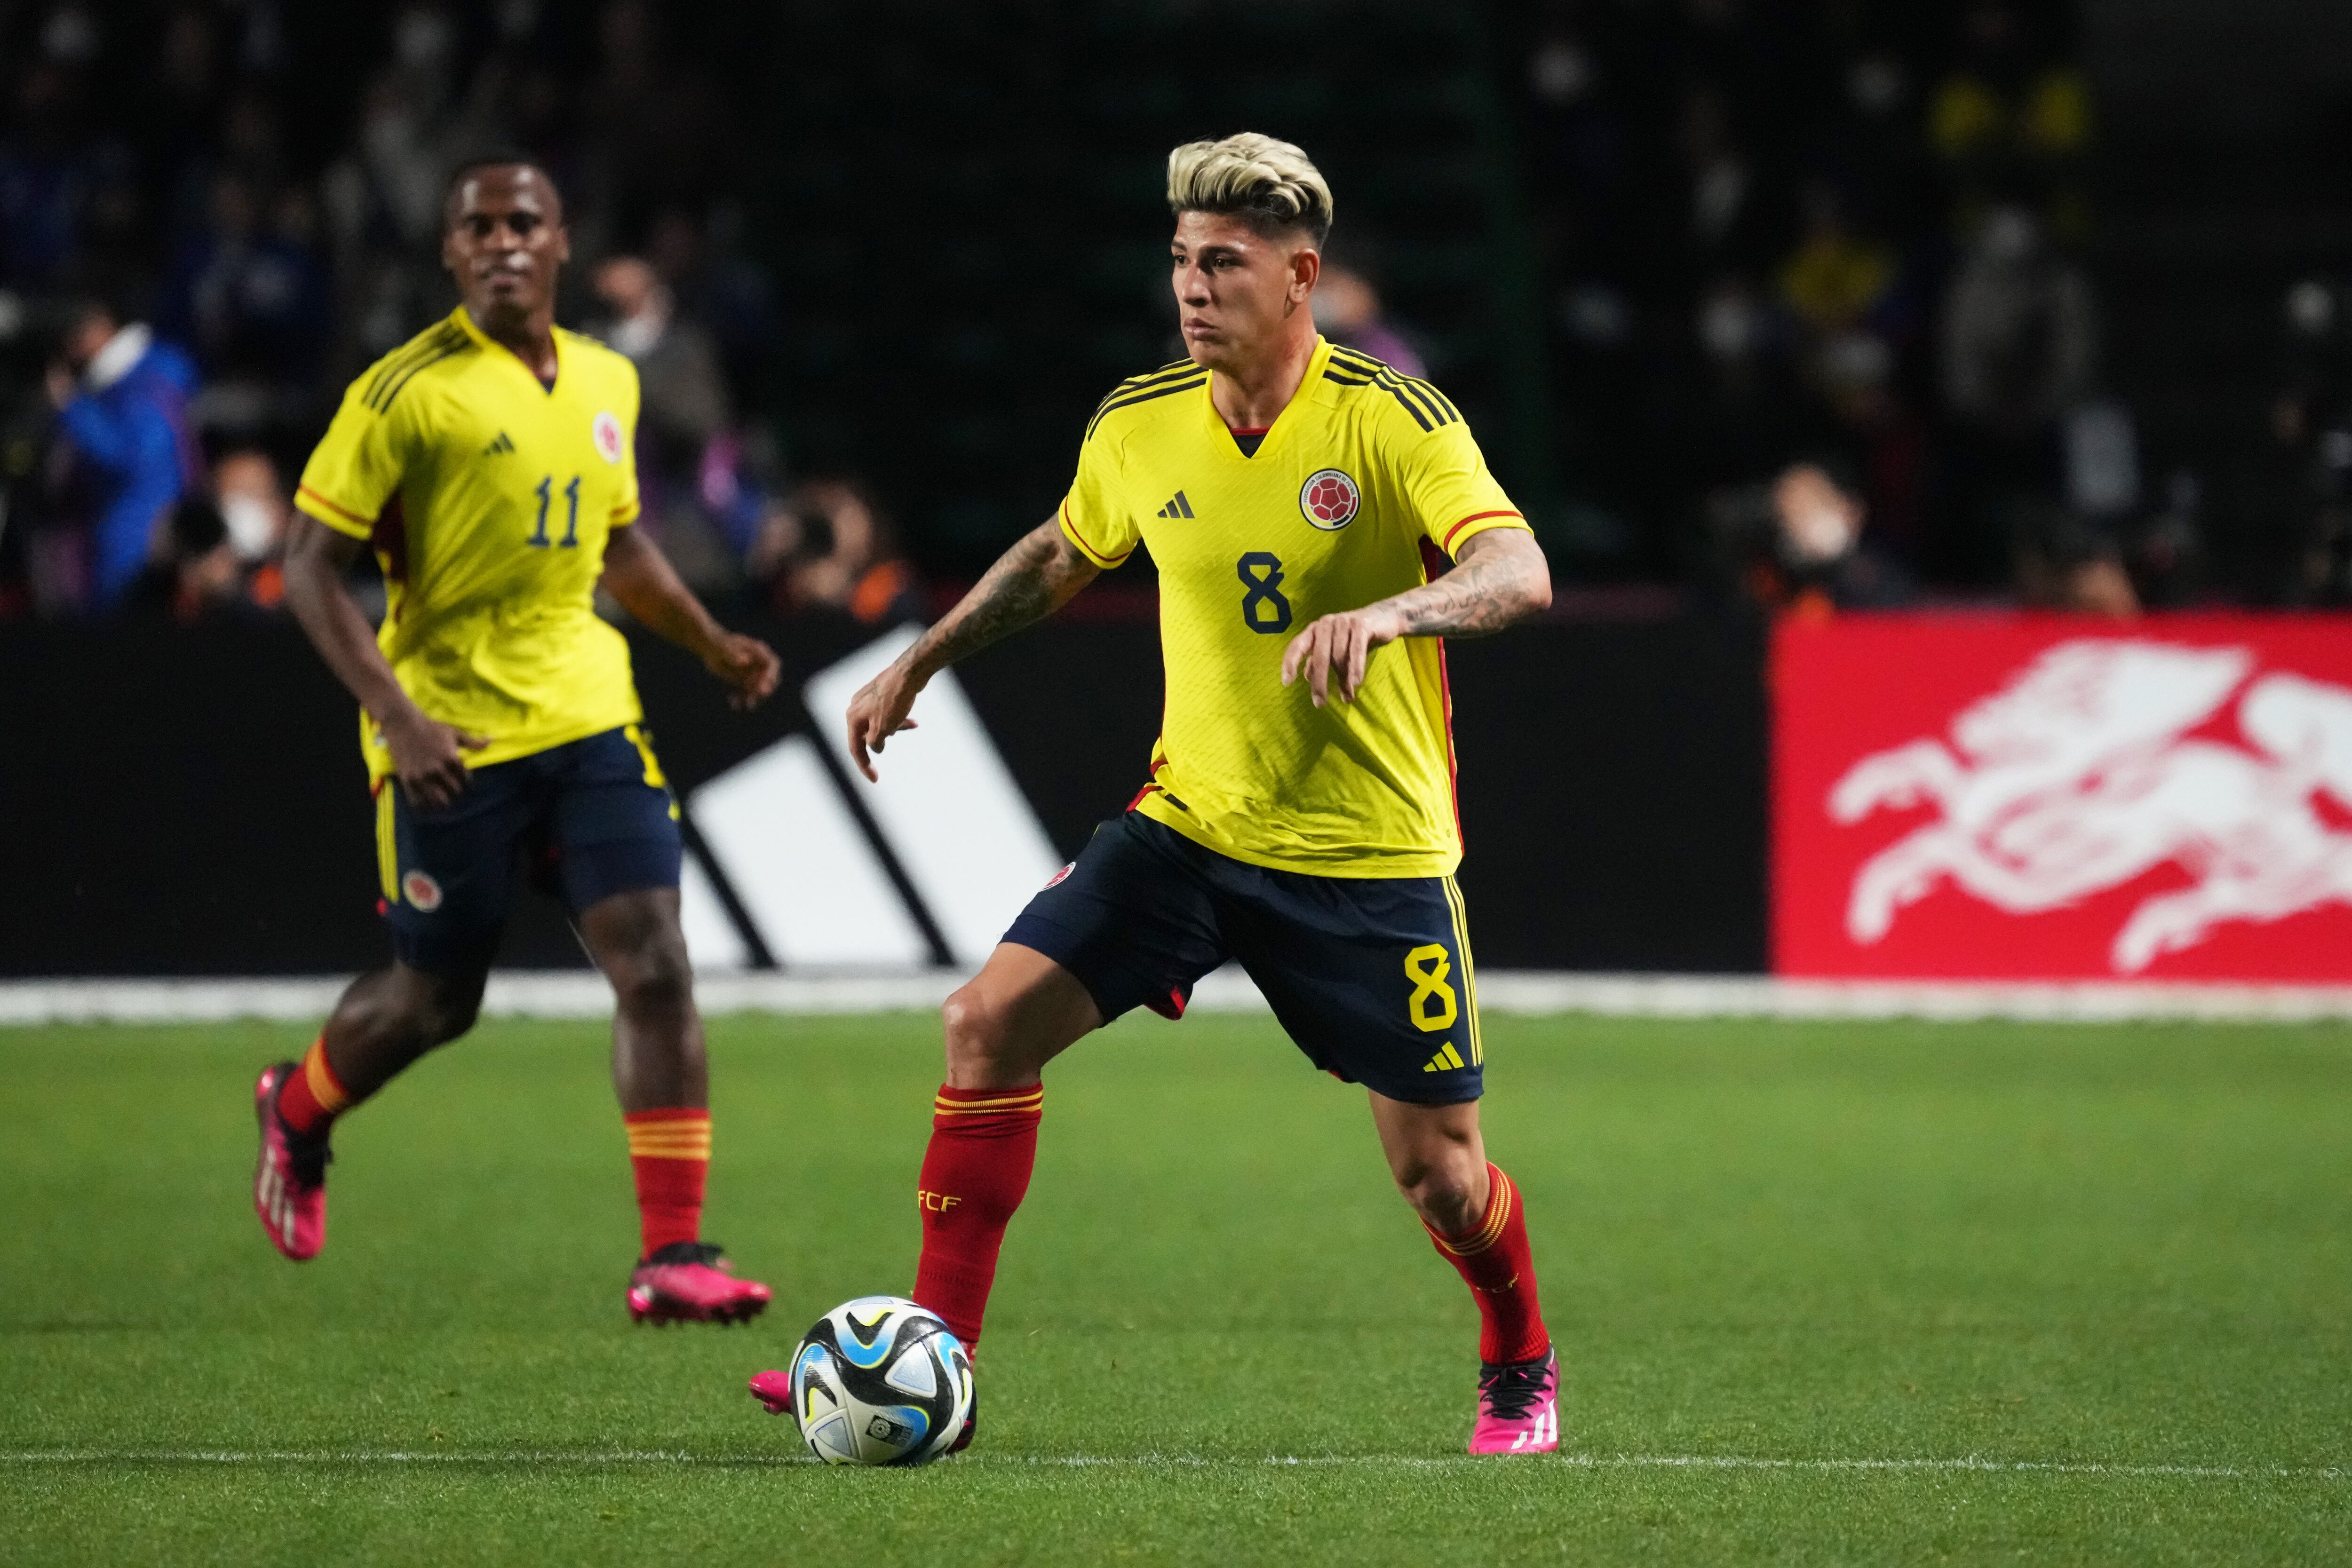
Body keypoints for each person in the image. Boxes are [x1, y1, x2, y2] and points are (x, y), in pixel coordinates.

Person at [751, 134, 1559, 1455]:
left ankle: (1518, 1353)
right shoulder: (1140, 420)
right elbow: (1063, 553)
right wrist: (922, 657)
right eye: (1181, 259)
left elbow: (1519, 571)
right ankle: (930, 1362)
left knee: (1443, 1176)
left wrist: (1398, 610)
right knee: (984, 1024)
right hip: (1189, 827)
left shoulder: (1392, 418)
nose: (1191, 287)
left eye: (1224, 263)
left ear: (1301, 276)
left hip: (1367, 853)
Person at [256, 157, 784, 1327]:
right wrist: (397, 714)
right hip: (451, 734)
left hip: (591, 716)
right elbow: (304, 569)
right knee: (435, 1003)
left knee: (655, 961)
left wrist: (707, 642)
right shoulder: (404, 393)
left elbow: (621, 543)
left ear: (562, 242)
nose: (501, 242)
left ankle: (674, 1253)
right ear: (450, 254)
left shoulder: (605, 378)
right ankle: (298, 1108)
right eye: (478, 226)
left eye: (523, 222)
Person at [45, 301, 201, 613]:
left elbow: (131, 456)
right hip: (118, 524)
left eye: (75, 337)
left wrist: (71, 407)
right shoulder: (117, 382)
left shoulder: (148, 376)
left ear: (102, 327)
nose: (72, 350)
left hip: (141, 531)